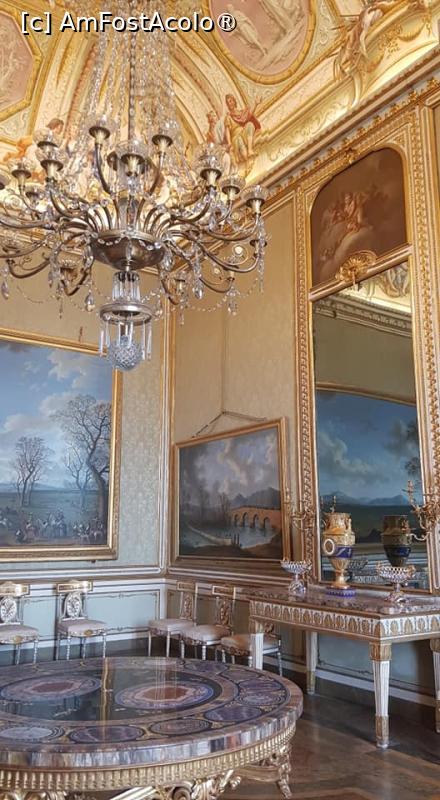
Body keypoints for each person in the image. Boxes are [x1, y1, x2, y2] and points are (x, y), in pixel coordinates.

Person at [224, 94, 261, 165]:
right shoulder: (228, 117)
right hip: (235, 137)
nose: (229, 103)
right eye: (228, 103)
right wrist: (229, 143)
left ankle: (250, 150)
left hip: (243, 132)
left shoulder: (241, 113)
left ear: (234, 101)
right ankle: (248, 161)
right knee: (239, 139)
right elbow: (227, 131)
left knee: (250, 124)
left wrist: (256, 104)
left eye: (230, 101)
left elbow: (249, 115)